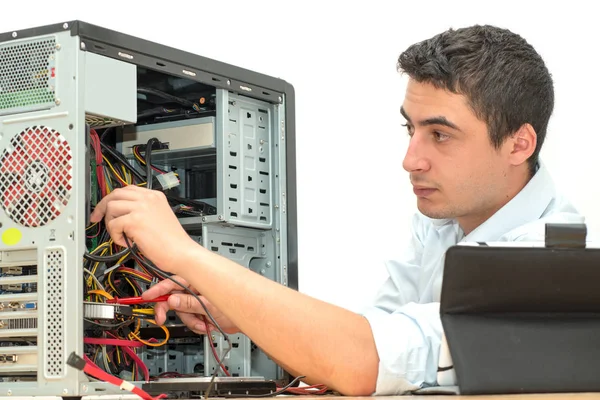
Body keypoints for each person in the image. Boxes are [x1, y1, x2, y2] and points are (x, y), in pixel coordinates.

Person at [90, 24, 584, 396]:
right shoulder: (444, 228)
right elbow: (371, 335)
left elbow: (362, 361)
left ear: (519, 143)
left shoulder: (548, 262)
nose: (411, 159)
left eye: (440, 134)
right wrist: (241, 313)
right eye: (409, 130)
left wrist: (188, 255)